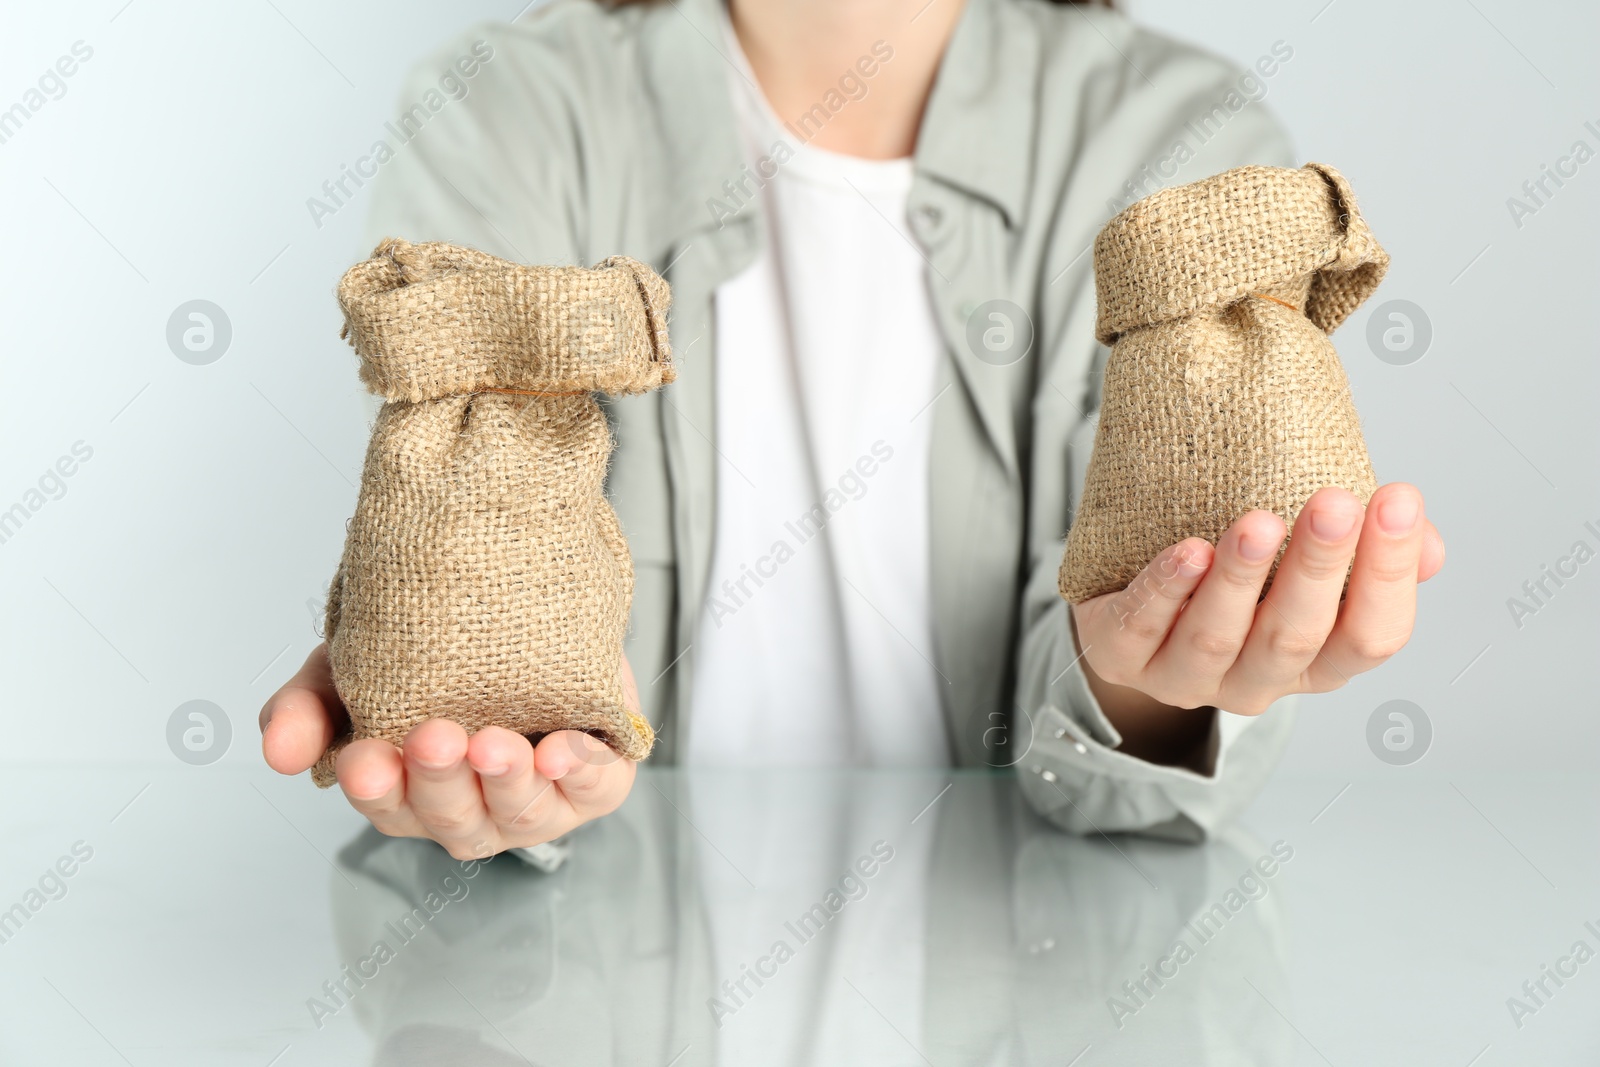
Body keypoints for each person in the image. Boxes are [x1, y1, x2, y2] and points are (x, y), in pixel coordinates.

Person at [260, 0, 1444, 862]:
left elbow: (1133, 801)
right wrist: (459, 705)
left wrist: (1145, 689)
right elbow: (452, 535)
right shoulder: (506, 107)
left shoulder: (1180, 129)